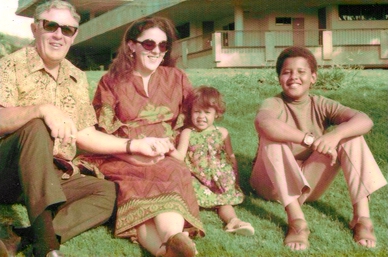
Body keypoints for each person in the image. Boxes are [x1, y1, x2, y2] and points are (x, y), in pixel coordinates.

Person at [0, 1, 173, 257]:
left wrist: (132, 145)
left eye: (67, 30)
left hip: (53, 174)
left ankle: (21, 238)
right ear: (35, 29)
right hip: (9, 170)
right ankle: (46, 247)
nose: (59, 35)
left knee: (108, 192)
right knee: (36, 127)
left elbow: (85, 134)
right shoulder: (9, 65)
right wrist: (41, 109)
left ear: (75, 35)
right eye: (51, 26)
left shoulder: (76, 77)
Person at [74, 16, 205, 257]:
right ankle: (175, 241)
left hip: (164, 153)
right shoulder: (111, 82)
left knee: (170, 169)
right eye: (149, 44)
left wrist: (180, 150)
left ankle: (168, 245)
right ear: (132, 45)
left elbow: (193, 120)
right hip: (124, 154)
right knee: (144, 179)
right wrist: (132, 155)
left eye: (163, 45)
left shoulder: (176, 78)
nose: (157, 51)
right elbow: (102, 131)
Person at [250, 46, 387, 251]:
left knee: (351, 137)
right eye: (286, 72)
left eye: (301, 72)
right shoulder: (274, 103)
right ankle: (297, 222)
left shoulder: (321, 104)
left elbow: (364, 120)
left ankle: (362, 218)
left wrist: (335, 135)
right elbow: (264, 123)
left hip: (307, 184)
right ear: (279, 78)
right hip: (272, 186)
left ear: (313, 78)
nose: (293, 77)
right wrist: (311, 140)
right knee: (272, 140)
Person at [169, 86, 254, 236]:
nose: (201, 116)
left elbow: (231, 157)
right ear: (190, 112)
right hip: (197, 178)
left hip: (219, 179)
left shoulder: (222, 133)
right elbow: (180, 156)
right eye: (197, 112)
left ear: (216, 114)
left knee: (224, 202)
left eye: (207, 112)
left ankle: (233, 221)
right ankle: (183, 228)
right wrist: (169, 149)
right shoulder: (187, 133)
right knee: (187, 198)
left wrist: (235, 179)